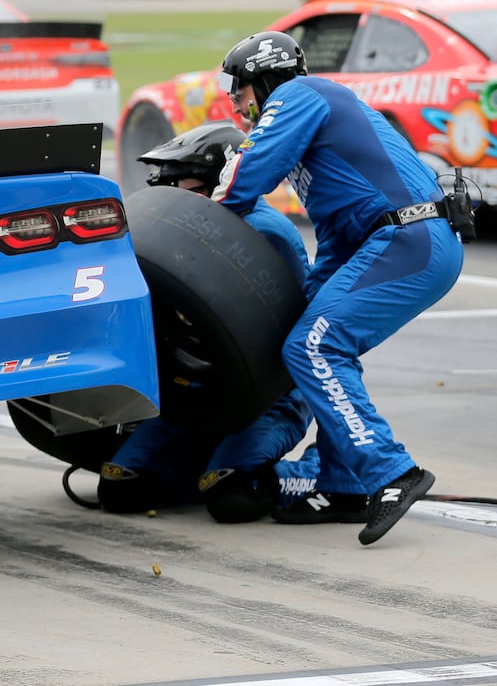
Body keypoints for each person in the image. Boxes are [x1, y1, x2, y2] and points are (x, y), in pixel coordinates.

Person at [212, 31, 464, 545]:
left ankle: (392, 473)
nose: (236, 101)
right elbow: (336, 238)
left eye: (239, 88)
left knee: (315, 345)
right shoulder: (314, 135)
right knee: (314, 340)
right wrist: (304, 305)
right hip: (396, 238)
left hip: (408, 238)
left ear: (264, 78)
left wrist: (201, 220)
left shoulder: (298, 95)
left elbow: (245, 178)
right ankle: (346, 485)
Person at [98, 121, 318, 523]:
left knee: (231, 497)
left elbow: (289, 330)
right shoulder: (170, 239)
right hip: (198, 391)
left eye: (185, 186)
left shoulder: (266, 231)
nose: (176, 200)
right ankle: (202, 468)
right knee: (119, 485)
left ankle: (321, 473)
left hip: (270, 395)